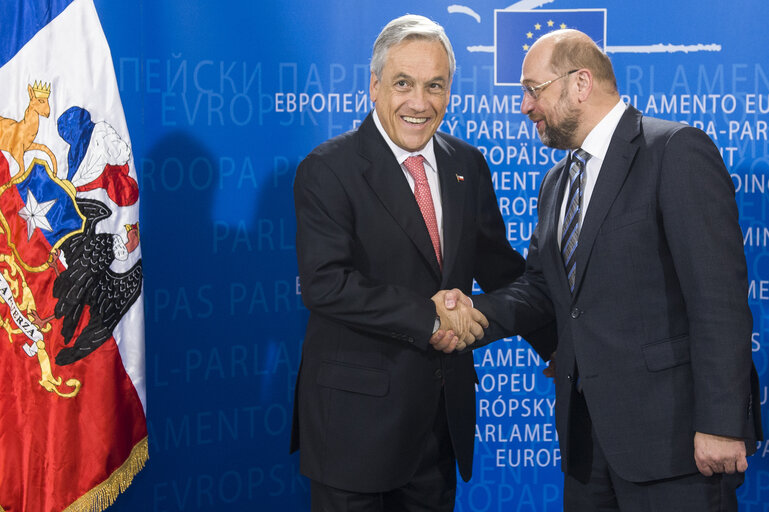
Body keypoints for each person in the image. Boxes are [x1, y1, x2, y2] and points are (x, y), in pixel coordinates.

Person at [443, 29, 762, 511]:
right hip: (586, 449)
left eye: (533, 90)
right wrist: (471, 315)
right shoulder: (556, 182)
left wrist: (720, 423)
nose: (524, 107)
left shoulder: (674, 151)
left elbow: (717, 301)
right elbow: (539, 291)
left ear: (581, 83)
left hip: (674, 445)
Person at [290, 14, 555, 511]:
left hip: (438, 425)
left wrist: (556, 346)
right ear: (374, 86)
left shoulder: (467, 165)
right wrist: (431, 317)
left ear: (450, 90)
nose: (419, 102)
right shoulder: (328, 169)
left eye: (434, 86)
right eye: (403, 83)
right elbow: (326, 285)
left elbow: (502, 270)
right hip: (354, 430)